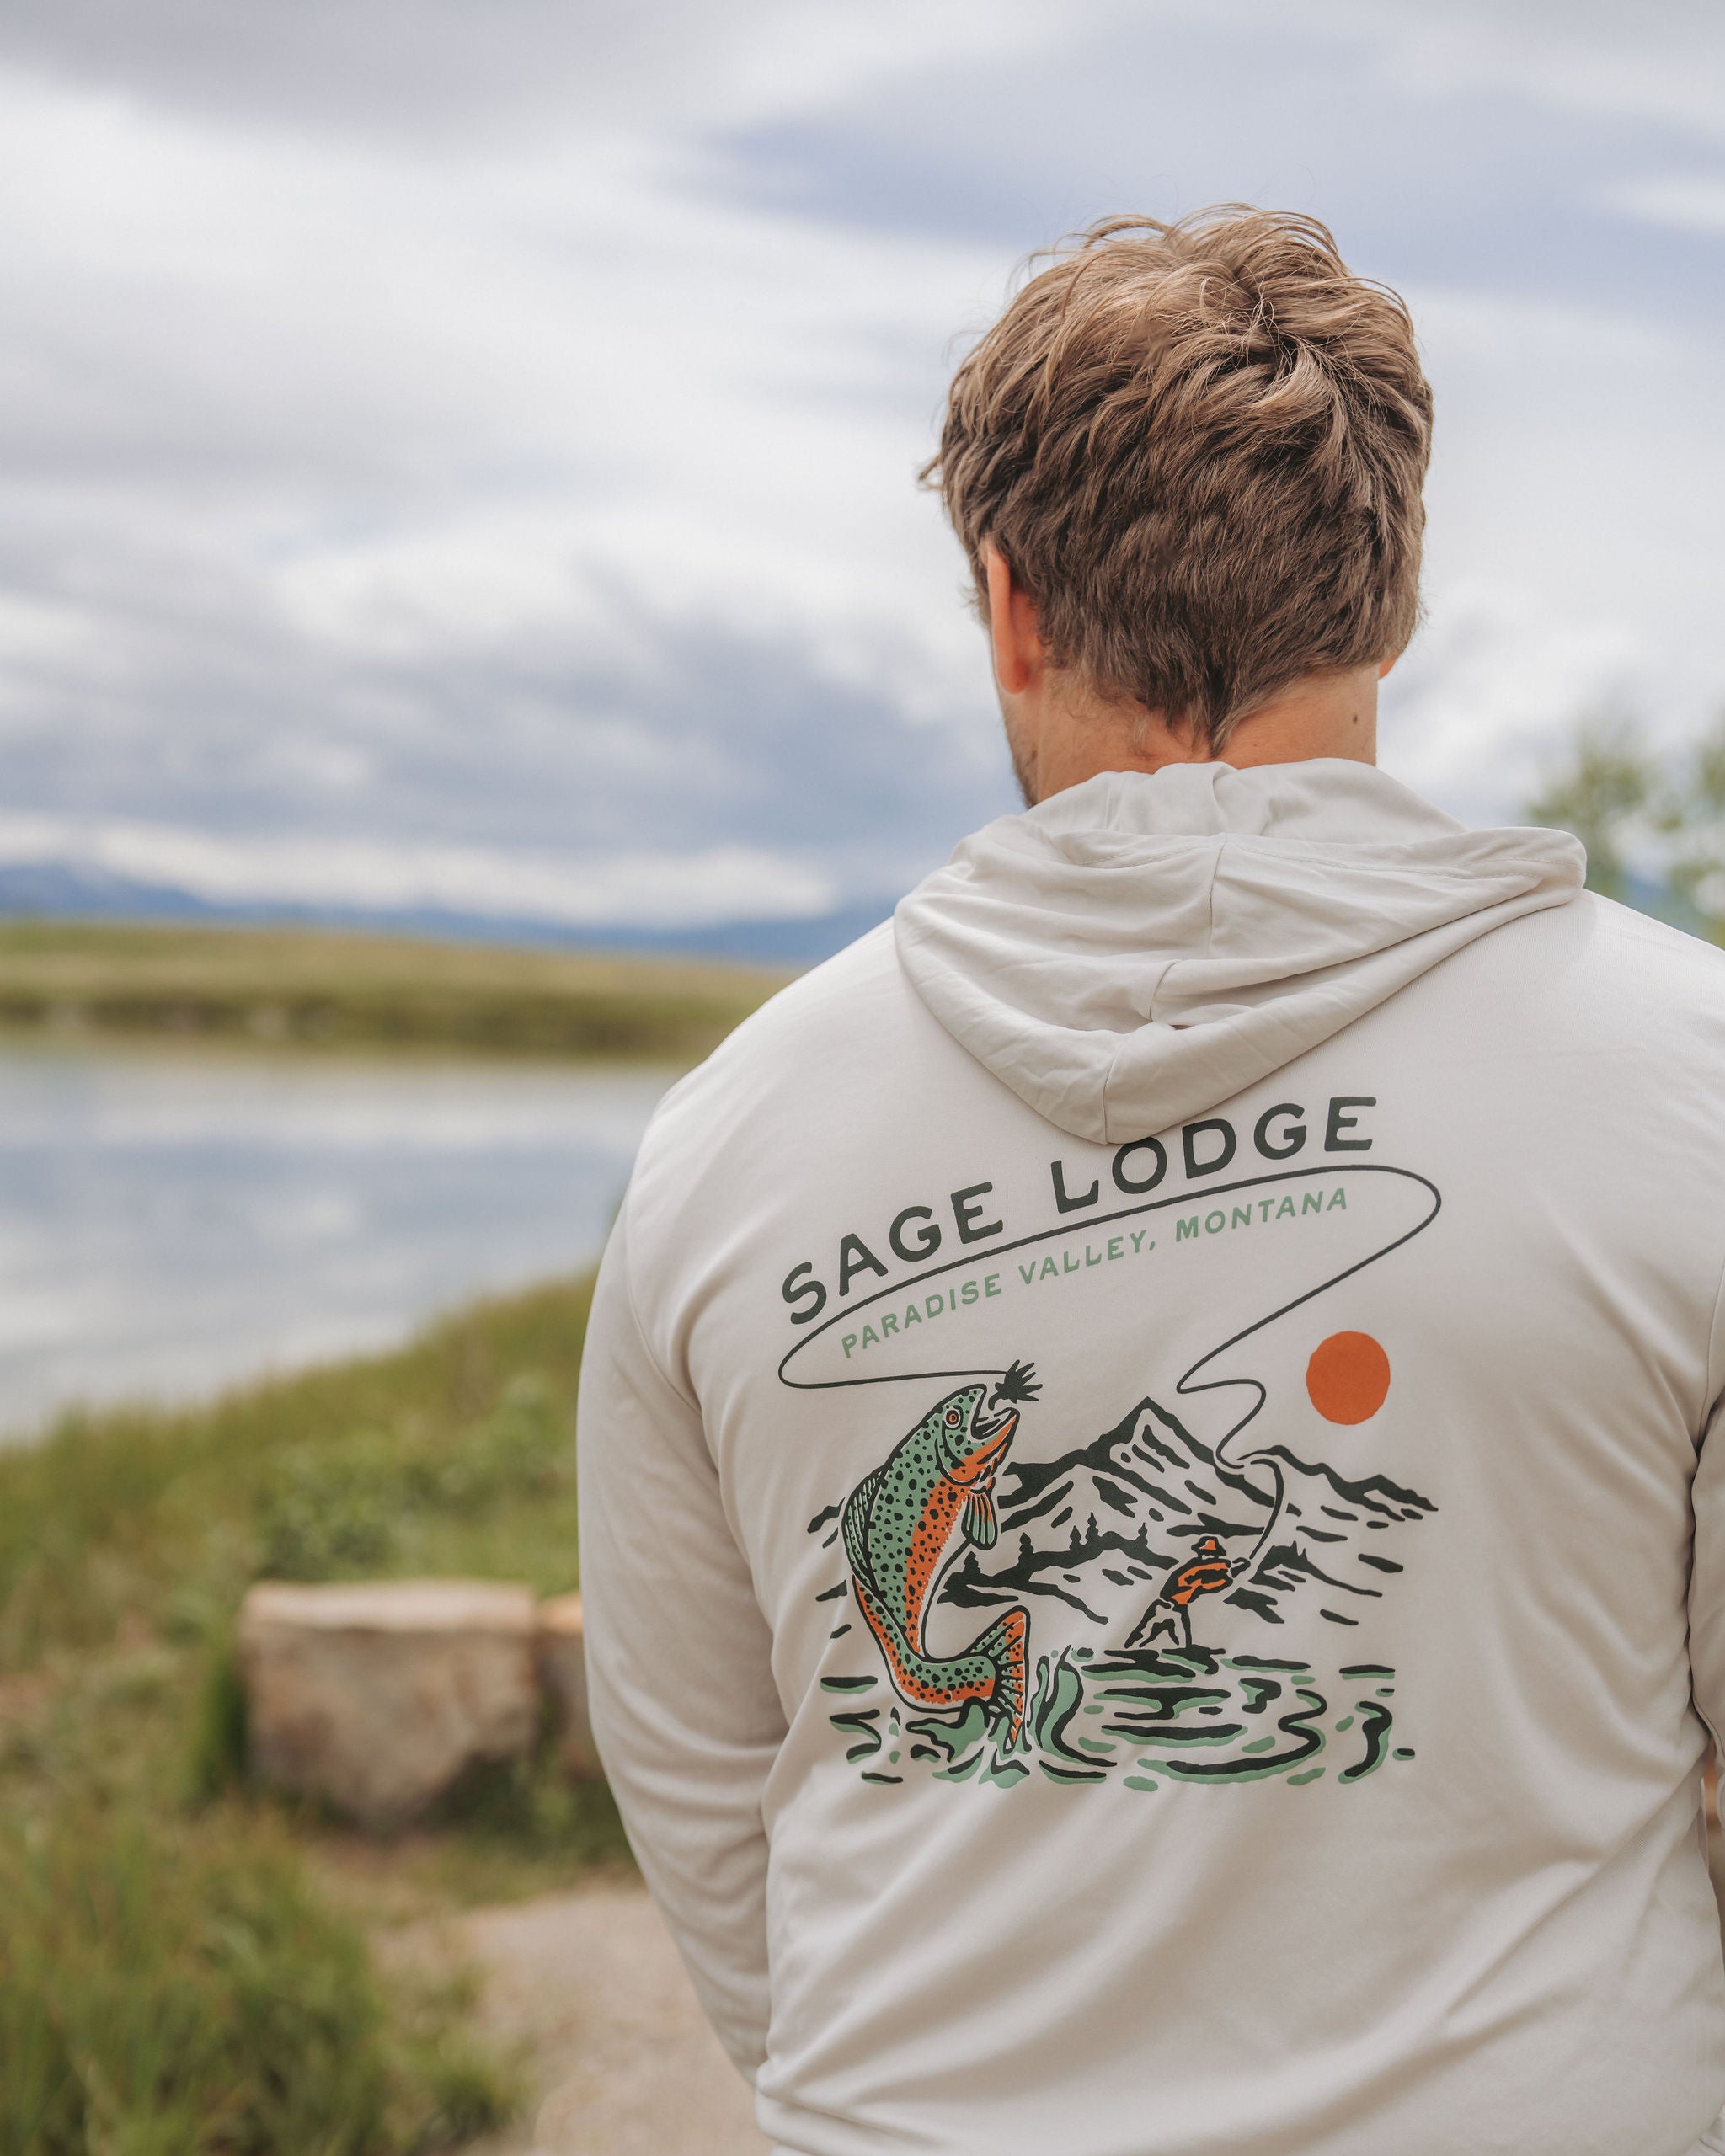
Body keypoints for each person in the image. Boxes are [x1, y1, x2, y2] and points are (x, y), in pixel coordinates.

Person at [577, 206, 1725, 2156]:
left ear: (1009, 607)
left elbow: (701, 1788)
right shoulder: (1691, 1084)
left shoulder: (727, 1136)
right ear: (1391, 599)